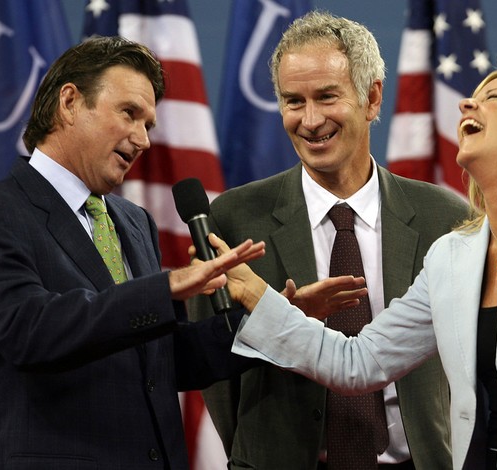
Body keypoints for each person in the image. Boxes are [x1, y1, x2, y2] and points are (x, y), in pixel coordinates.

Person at [226, 66, 497, 470]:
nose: (467, 103)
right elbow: (358, 362)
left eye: (493, 97)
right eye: (472, 96)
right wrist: (257, 295)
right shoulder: (452, 255)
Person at [188, 10, 467, 470]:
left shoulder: (447, 219)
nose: (311, 120)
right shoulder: (234, 219)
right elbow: (216, 373)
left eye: (327, 97)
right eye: (293, 101)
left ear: (372, 98)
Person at [0, 36, 267, 470]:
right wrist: (166, 287)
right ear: (69, 103)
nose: (142, 139)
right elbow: (29, 330)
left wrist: (273, 321)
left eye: (149, 125)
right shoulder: (5, 211)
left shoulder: (133, 221)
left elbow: (161, 361)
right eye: (129, 114)